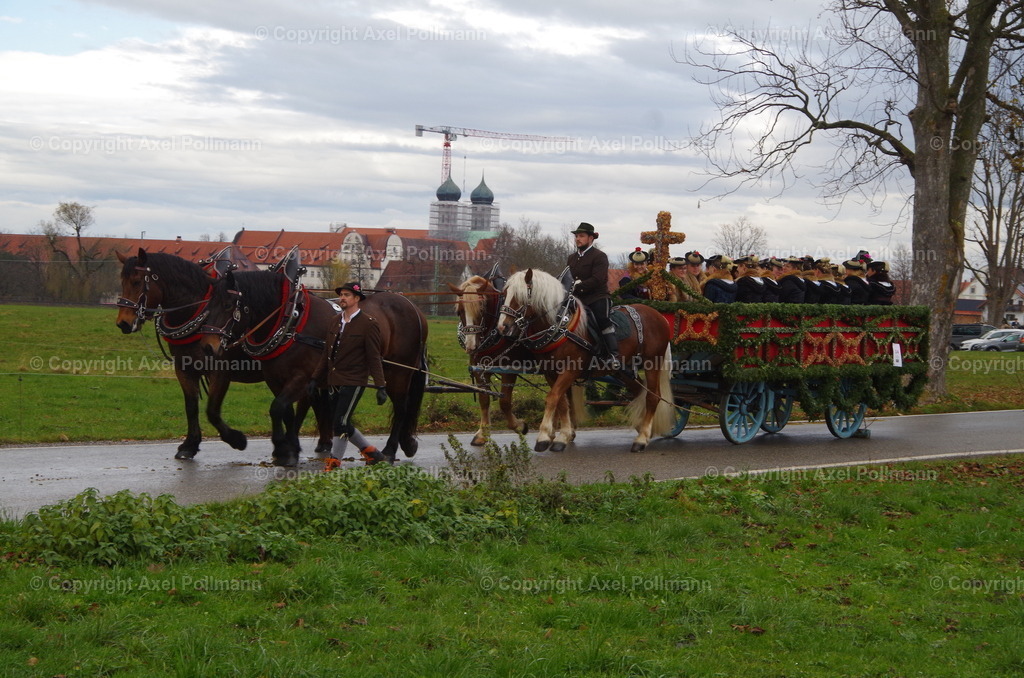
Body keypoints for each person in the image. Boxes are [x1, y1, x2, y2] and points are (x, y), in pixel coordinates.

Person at [310, 281, 389, 465]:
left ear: (357, 299)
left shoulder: (368, 324)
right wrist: (314, 378)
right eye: (341, 295)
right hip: (333, 380)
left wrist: (380, 385)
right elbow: (326, 354)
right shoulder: (335, 321)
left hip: (354, 381)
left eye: (346, 295)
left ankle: (334, 462)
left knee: (340, 423)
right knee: (340, 422)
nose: (342, 298)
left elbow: (374, 357)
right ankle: (372, 453)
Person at [568, 222, 619, 369]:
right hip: (577, 298)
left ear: (591, 238)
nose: (578, 239)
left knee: (602, 319)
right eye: (577, 236)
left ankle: (613, 355)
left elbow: (598, 279)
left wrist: (578, 286)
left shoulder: (599, 256)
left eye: (581, 236)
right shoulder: (571, 258)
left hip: (597, 297)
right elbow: (568, 277)